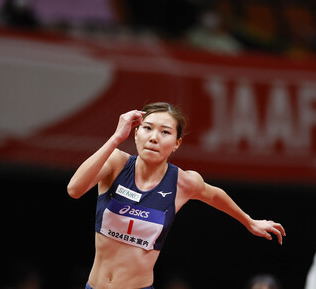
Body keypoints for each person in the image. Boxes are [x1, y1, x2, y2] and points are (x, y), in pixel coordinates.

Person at [67, 102, 286, 289]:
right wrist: (116, 137)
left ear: (176, 144)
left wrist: (248, 221)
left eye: (165, 132)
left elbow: (215, 196)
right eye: (147, 128)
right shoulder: (116, 163)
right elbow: (74, 190)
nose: (154, 138)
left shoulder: (183, 182)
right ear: (135, 134)